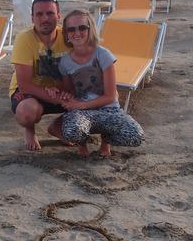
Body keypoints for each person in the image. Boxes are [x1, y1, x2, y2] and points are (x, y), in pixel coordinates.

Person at [56, 9, 145, 157]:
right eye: (71, 29)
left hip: (108, 110)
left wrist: (81, 105)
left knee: (135, 135)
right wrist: (63, 95)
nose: (77, 33)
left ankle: (105, 141)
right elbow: (70, 92)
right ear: (66, 33)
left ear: (90, 29)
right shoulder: (65, 62)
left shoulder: (103, 54)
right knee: (71, 131)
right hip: (82, 113)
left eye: (82, 27)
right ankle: (82, 143)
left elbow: (110, 96)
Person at [9, 0, 73, 151]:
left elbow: (79, 71)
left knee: (92, 99)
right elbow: (24, 85)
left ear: (59, 16)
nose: (45, 19)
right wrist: (57, 98)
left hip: (60, 89)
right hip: (31, 91)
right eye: (39, 14)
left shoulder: (69, 37)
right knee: (27, 113)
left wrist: (64, 92)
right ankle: (29, 130)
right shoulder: (24, 38)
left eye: (50, 13)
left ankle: (58, 127)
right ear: (32, 18)